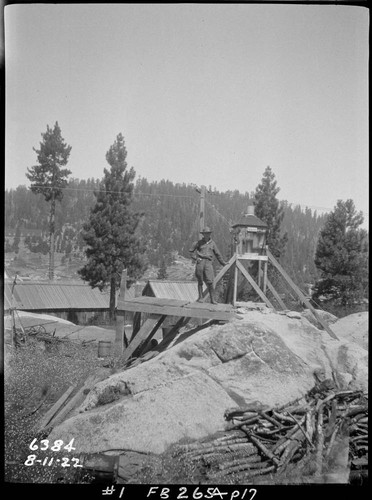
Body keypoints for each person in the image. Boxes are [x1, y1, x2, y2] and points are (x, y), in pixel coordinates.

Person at [189, 227, 227, 304]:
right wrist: (196, 258)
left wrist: (223, 263)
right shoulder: (198, 243)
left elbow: (217, 254)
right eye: (206, 233)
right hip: (200, 263)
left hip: (208, 264)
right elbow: (191, 252)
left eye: (208, 233)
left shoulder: (213, 243)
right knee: (200, 281)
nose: (207, 234)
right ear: (203, 234)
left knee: (210, 281)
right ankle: (200, 298)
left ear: (210, 234)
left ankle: (212, 299)